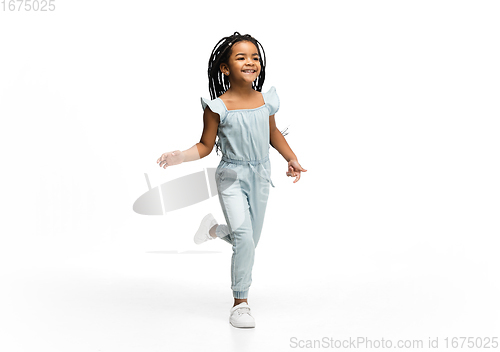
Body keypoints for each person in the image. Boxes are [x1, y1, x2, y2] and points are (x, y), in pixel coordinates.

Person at [157, 32, 307, 328]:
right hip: (231, 177)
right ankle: (241, 303)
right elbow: (204, 146)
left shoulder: (266, 101)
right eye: (241, 57)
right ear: (225, 68)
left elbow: (273, 134)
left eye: (255, 57)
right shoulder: (217, 108)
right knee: (244, 241)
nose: (250, 61)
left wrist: (291, 158)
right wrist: (179, 156)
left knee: (250, 241)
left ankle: (212, 229)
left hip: (261, 175)